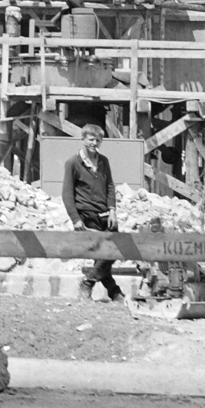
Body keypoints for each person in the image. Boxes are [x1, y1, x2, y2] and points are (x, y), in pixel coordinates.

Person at [61, 124, 124, 303]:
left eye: (98, 140)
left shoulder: (103, 161)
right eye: (90, 139)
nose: (94, 143)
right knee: (104, 253)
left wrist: (112, 210)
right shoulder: (73, 163)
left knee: (112, 250)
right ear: (83, 140)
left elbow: (110, 186)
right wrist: (75, 219)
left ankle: (92, 283)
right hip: (87, 215)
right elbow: (67, 193)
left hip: (105, 215)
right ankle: (112, 291)